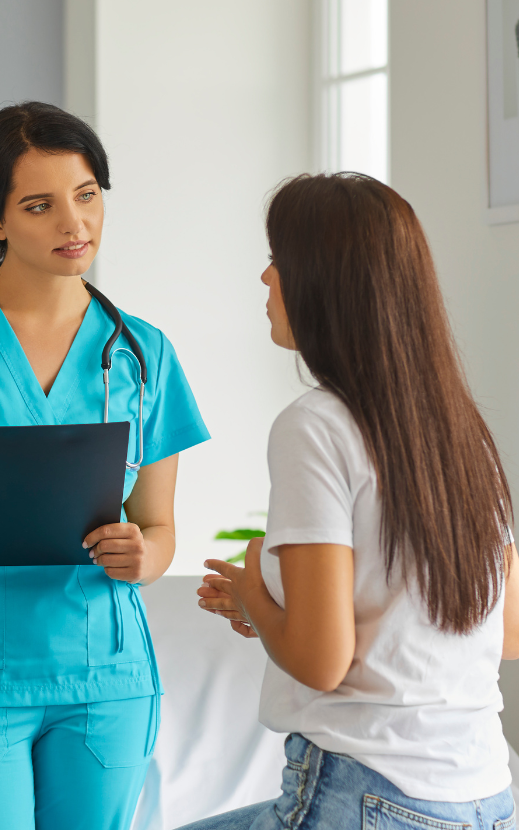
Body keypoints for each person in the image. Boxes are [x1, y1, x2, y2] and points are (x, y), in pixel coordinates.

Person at [0, 101, 209, 830]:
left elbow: (158, 528)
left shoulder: (143, 351)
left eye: (87, 195)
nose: (75, 224)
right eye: (40, 205)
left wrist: (142, 554)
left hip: (105, 679)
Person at [186, 173, 519, 830]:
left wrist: (256, 581)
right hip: (486, 798)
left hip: (369, 793)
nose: (264, 279)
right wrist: (275, 605)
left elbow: (320, 660)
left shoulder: (314, 424)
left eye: (277, 260)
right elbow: (505, 631)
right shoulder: (462, 431)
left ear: (321, 281)